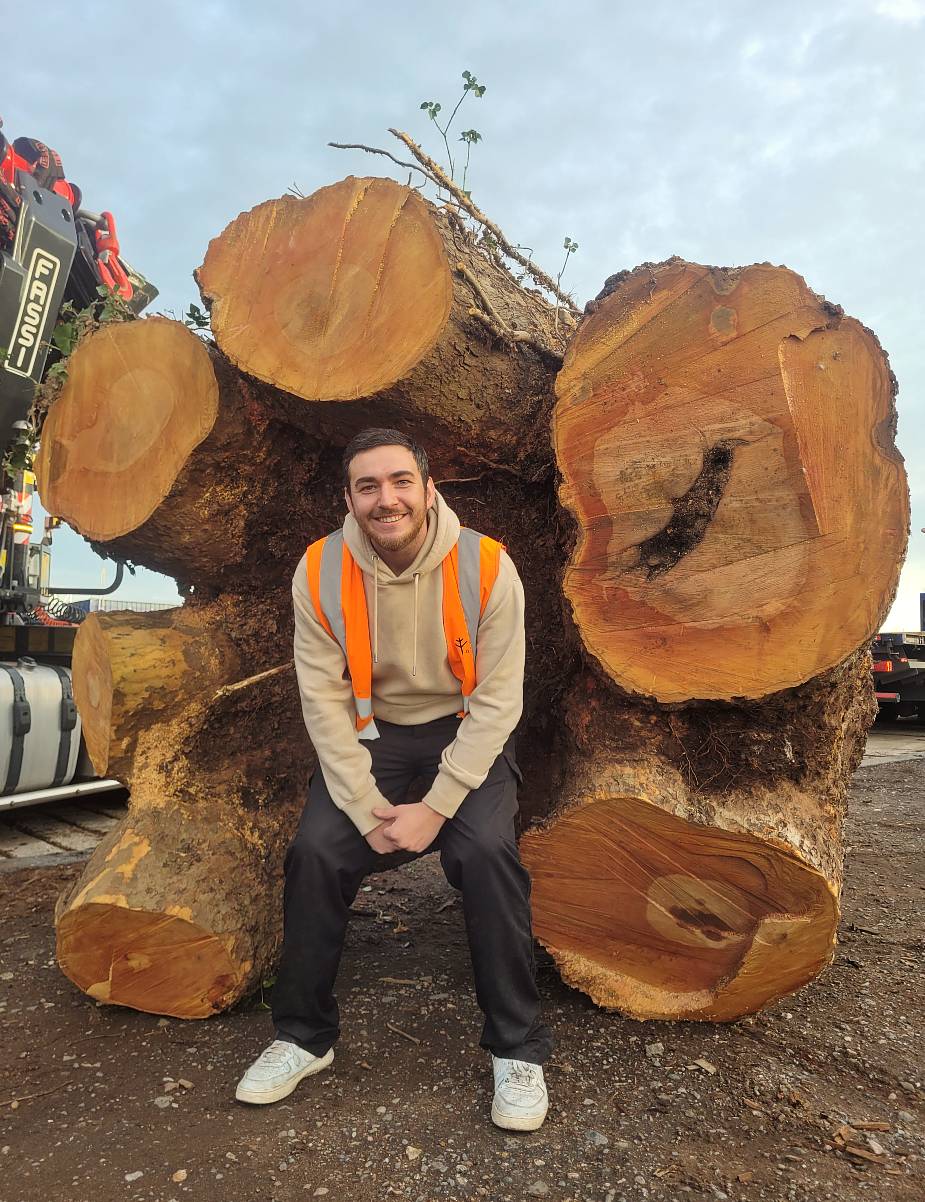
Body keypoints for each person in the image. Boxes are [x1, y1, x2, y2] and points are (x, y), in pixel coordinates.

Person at [235, 427, 553, 1130]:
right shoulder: (317, 569)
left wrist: (436, 808)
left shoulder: (489, 566)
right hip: (372, 737)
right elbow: (319, 699)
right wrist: (361, 802)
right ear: (348, 498)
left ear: (428, 488)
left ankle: (516, 1050)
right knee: (316, 852)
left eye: (401, 481)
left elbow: (501, 700)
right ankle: (301, 1036)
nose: (388, 499)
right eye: (369, 486)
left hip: (464, 730)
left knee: (486, 854)